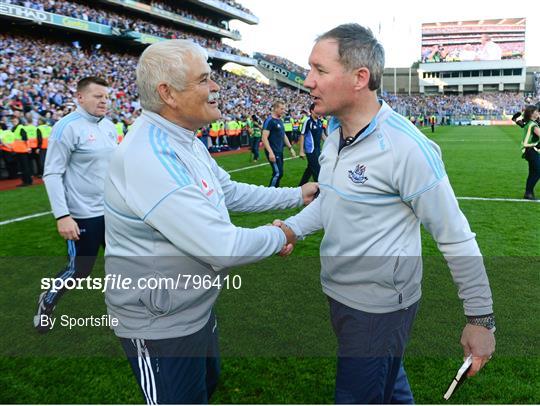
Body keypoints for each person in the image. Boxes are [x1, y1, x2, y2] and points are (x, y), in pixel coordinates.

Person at [275, 24, 495, 404]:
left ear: (360, 78)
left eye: (319, 70)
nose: (307, 80)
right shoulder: (334, 133)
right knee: (389, 384)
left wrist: (480, 319)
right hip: (340, 294)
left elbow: (455, 235)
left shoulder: (406, 148)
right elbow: (332, 202)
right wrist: (293, 229)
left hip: (378, 309)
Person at [103, 39, 318, 405]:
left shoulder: (185, 140)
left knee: (205, 385)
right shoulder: (149, 156)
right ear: (168, 94)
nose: (216, 86)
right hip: (160, 324)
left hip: (191, 308)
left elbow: (227, 192)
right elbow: (222, 247)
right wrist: (283, 231)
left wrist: (296, 196)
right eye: (204, 79)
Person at [34, 76, 118, 333]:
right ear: (80, 97)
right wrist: (63, 216)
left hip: (112, 211)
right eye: (97, 96)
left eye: (106, 96)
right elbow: (52, 173)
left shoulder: (110, 127)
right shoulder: (66, 127)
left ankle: (128, 309)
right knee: (80, 270)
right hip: (83, 215)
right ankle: (47, 302)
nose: (104, 101)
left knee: (125, 261)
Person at [262, 101, 296, 187]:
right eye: (282, 109)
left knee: (280, 173)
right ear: (276, 109)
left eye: (284, 109)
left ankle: (275, 191)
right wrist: (270, 152)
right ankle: (270, 193)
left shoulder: (280, 120)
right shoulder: (269, 121)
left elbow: (283, 135)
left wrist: (290, 148)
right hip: (273, 151)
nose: (283, 111)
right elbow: (264, 137)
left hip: (279, 150)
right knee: (278, 173)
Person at [299, 102, 327, 185]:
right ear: (311, 110)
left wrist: (329, 142)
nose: (318, 112)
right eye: (316, 110)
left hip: (318, 148)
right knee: (317, 170)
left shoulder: (320, 121)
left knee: (310, 168)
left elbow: (322, 134)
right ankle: (319, 189)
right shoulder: (307, 121)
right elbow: (302, 135)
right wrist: (301, 150)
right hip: (310, 149)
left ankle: (301, 185)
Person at [519, 105, 540, 200]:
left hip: (529, 151)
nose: (538, 112)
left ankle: (528, 193)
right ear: (532, 113)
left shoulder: (530, 123)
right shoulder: (533, 125)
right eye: (536, 111)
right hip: (531, 151)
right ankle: (528, 192)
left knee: (533, 172)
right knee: (537, 172)